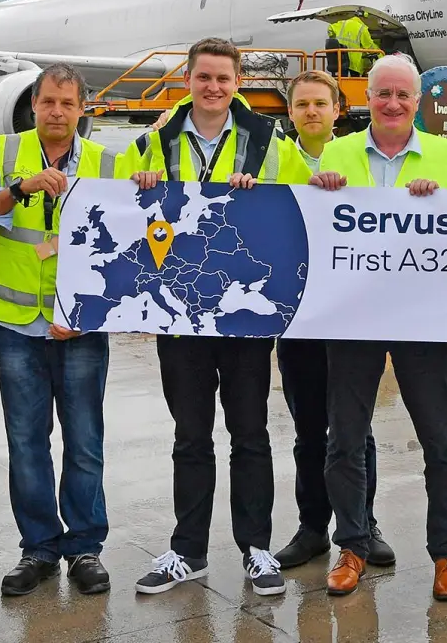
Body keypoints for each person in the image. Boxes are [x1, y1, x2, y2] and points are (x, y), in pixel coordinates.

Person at [273, 59, 447, 571]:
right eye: (382, 93)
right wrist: (318, 193)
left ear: (419, 101)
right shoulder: (337, 152)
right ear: (366, 97)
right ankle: (352, 544)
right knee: (344, 438)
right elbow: (308, 225)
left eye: (403, 95)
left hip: (422, 318)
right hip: (354, 318)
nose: (392, 103)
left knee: (441, 440)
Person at [126, 37, 311, 599]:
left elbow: (307, 197)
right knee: (190, 436)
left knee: (250, 434)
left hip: (243, 313)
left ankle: (256, 548)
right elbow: (126, 215)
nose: (213, 88)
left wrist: (270, 191)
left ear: (238, 83)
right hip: (180, 313)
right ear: (188, 80)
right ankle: (189, 551)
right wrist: (139, 189)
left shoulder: (268, 139)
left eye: (223, 79)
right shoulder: (153, 141)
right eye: (203, 78)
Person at [0, 64, 121, 598]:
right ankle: (38, 548)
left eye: (66, 104)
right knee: (26, 442)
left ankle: (85, 548)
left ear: (81, 110)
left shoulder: (105, 163)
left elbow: (123, 248)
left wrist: (92, 314)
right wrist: (19, 189)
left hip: (79, 329)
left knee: (84, 442)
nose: (56, 112)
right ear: (34, 106)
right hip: (18, 327)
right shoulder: (4, 155)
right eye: (48, 102)